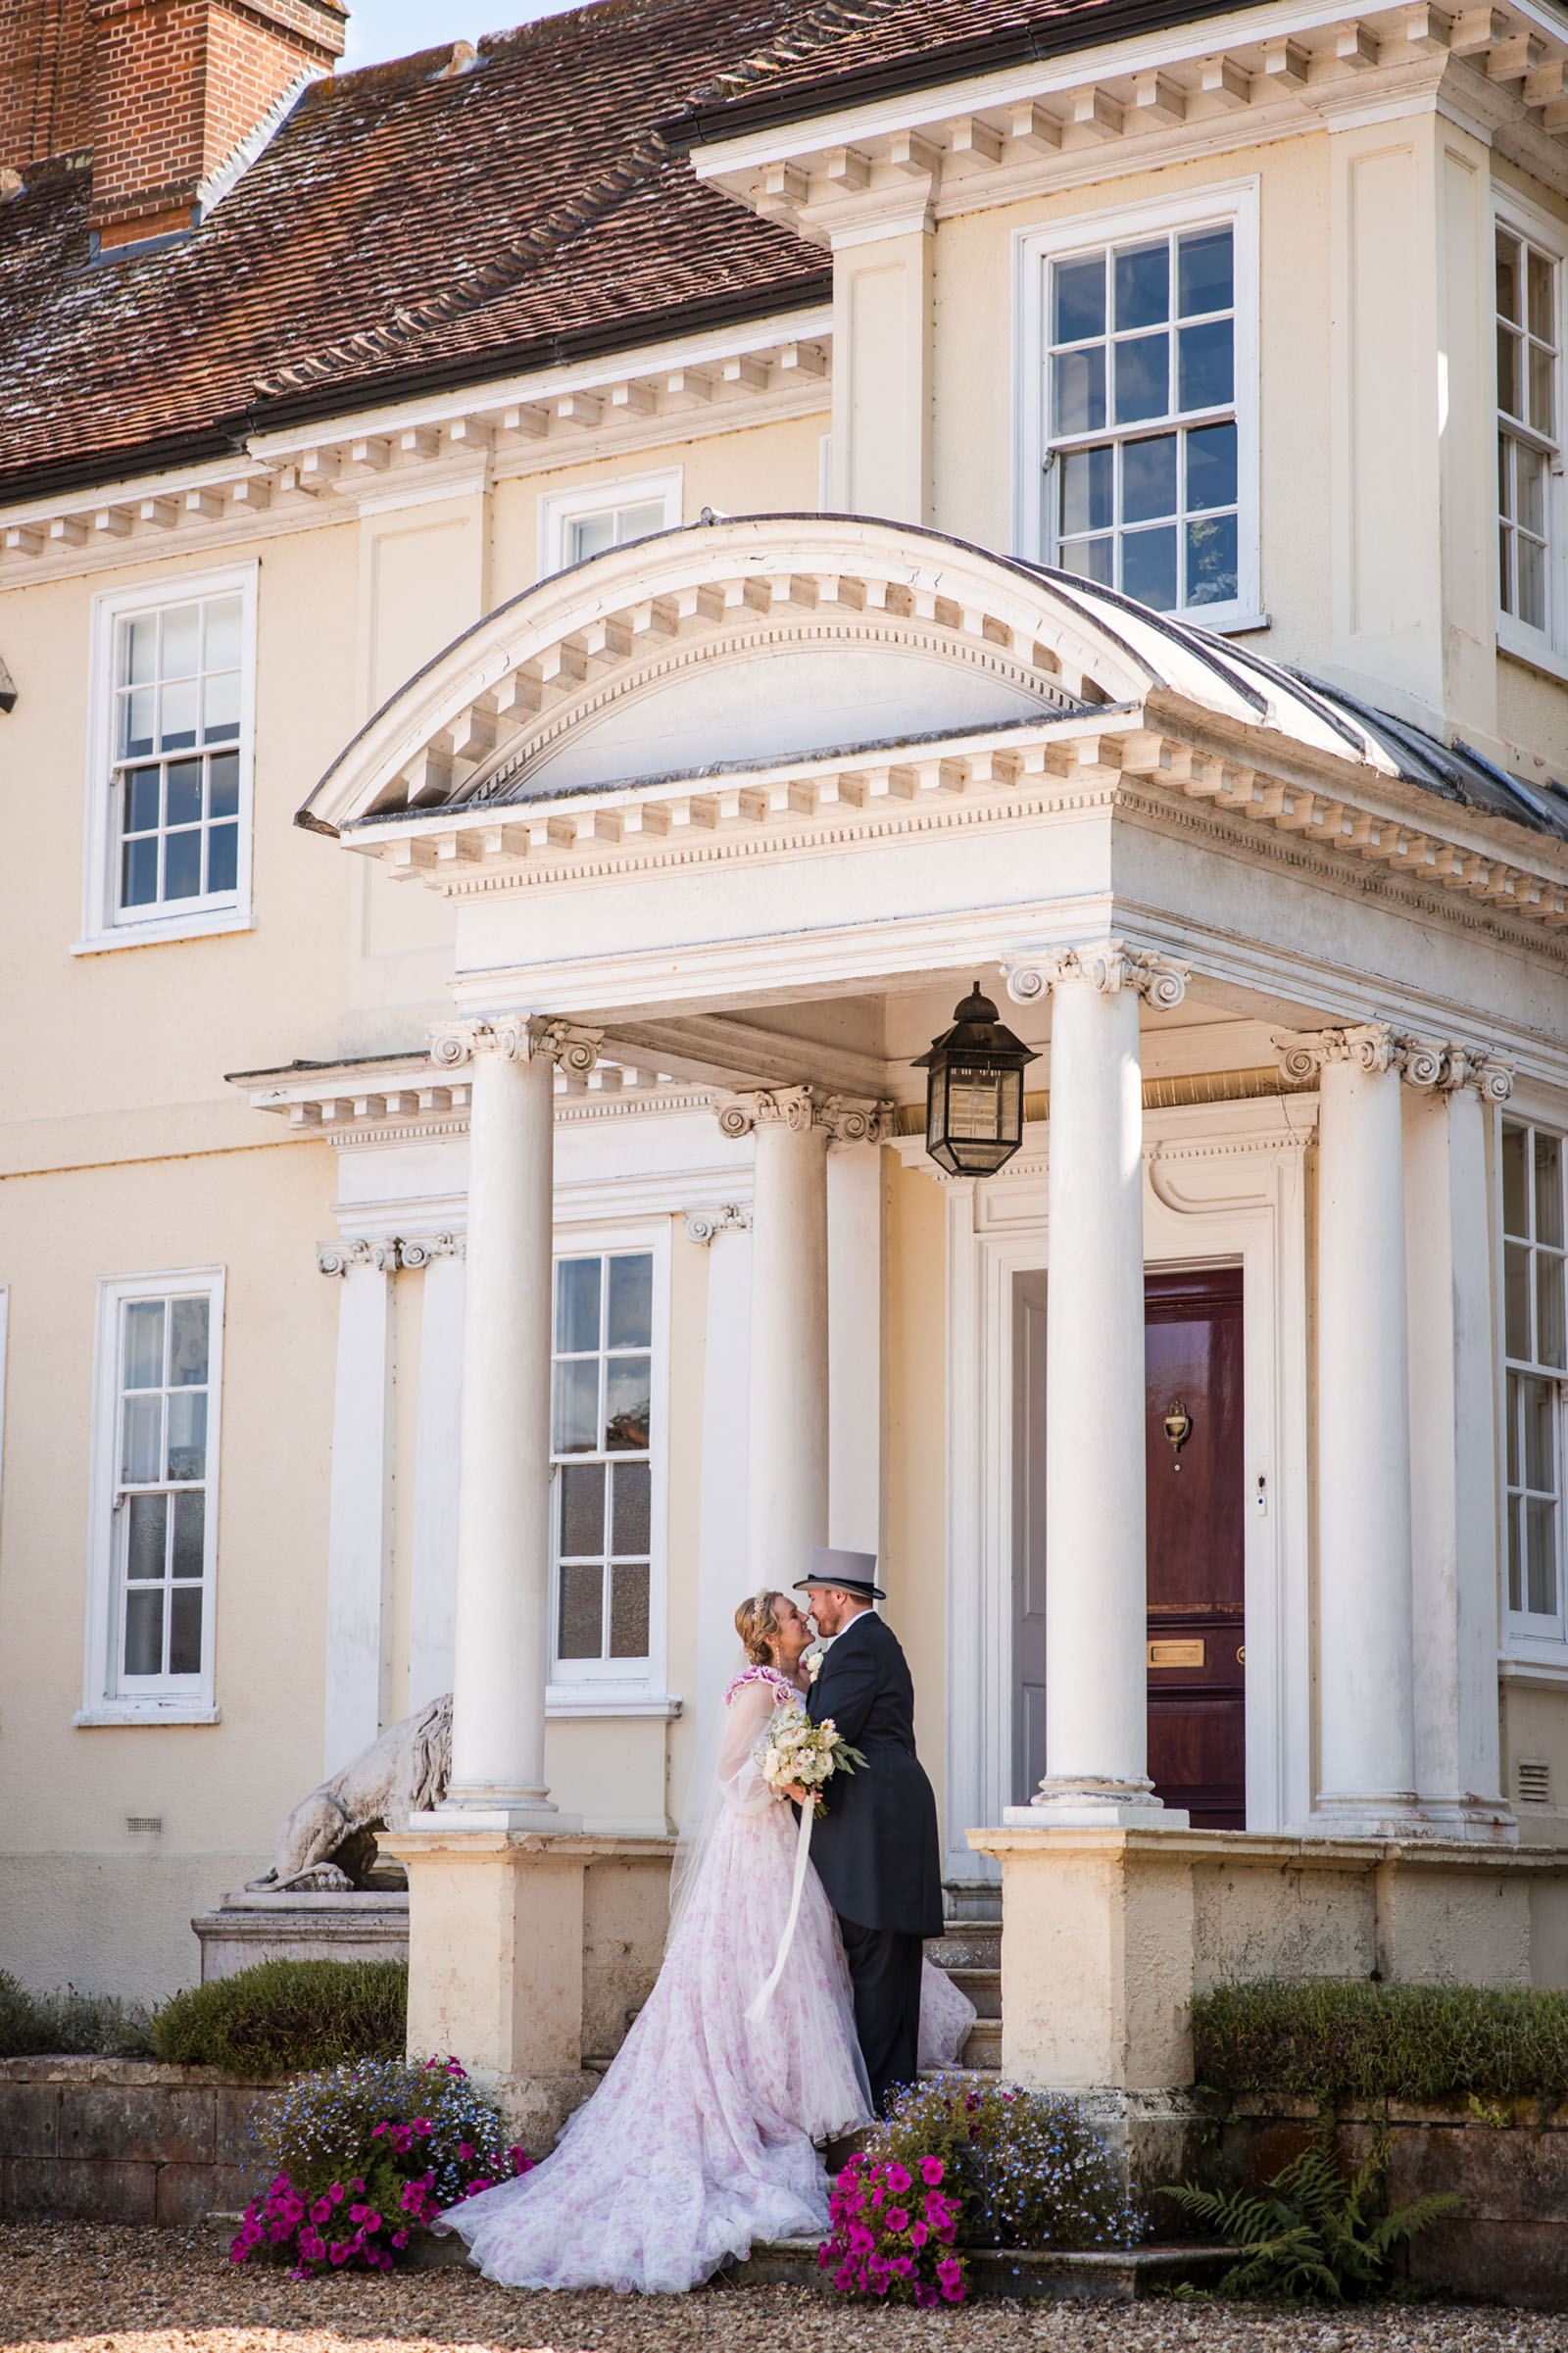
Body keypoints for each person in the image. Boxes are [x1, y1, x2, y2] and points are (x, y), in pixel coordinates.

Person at [797, 1546, 945, 2115]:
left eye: (814, 1597)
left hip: (876, 1831)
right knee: (886, 1968)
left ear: (839, 1595)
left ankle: (883, 2111)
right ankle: (893, 2104)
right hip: (886, 1824)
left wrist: (782, 1770)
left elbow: (823, 1733)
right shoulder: (870, 1642)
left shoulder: (858, 1647)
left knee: (879, 1969)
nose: (811, 1609)